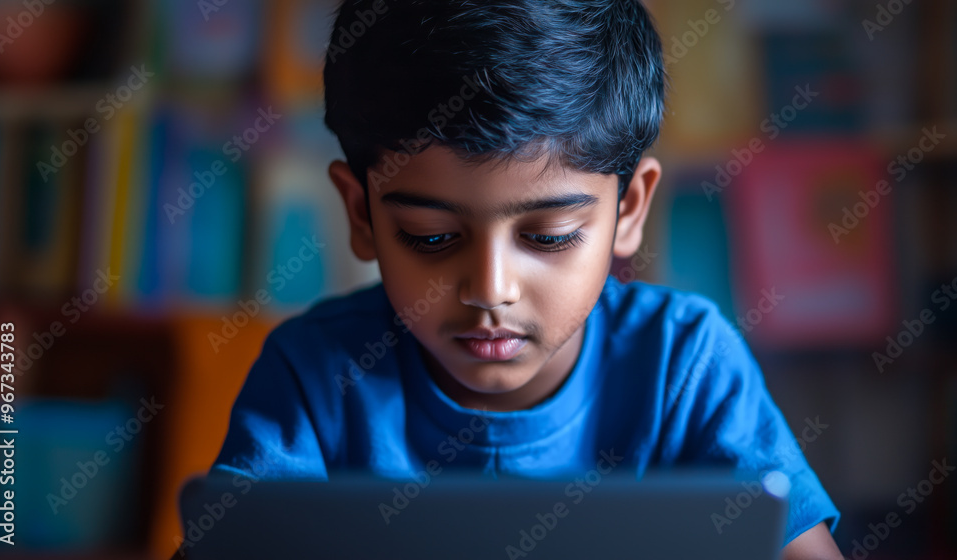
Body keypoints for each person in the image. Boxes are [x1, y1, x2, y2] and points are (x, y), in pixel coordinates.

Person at [210, 0, 843, 557]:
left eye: (548, 237)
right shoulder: (314, 376)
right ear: (361, 215)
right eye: (431, 238)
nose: (490, 289)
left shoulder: (685, 366)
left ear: (629, 211)